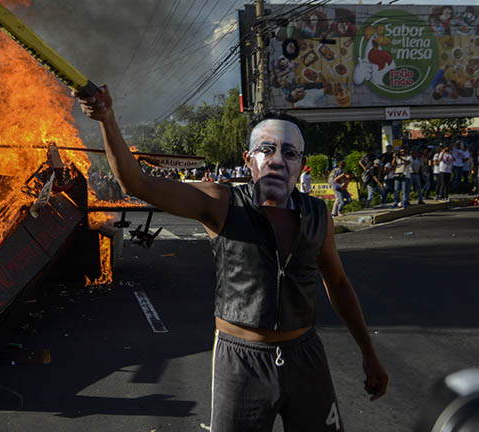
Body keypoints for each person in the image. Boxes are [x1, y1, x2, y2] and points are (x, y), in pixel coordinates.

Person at [78, 87, 387, 431]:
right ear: (248, 159)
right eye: (265, 149)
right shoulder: (222, 203)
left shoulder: (319, 215)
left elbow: (339, 284)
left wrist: (368, 352)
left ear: (301, 164)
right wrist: (107, 119)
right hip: (242, 361)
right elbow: (136, 183)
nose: (276, 160)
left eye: (289, 152)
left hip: (306, 358)